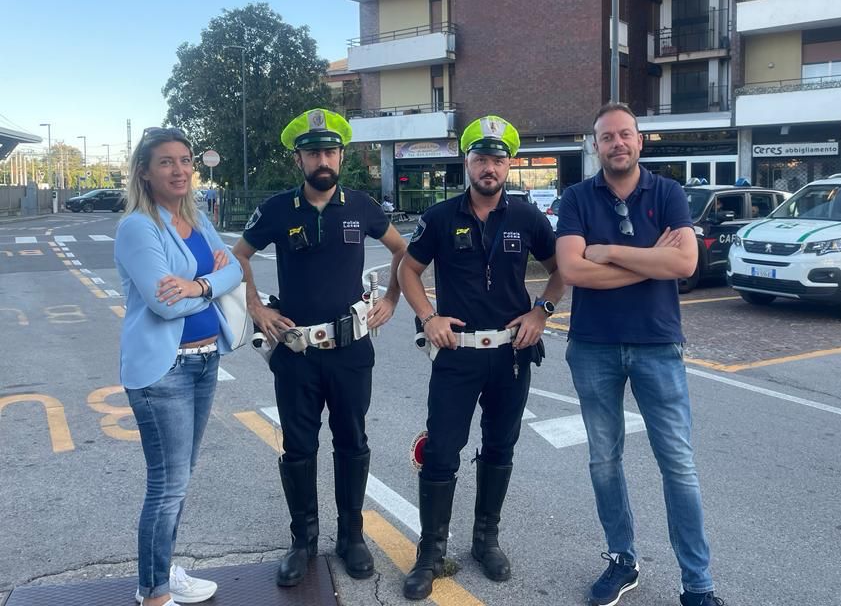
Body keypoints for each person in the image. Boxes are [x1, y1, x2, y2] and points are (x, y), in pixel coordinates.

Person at [555, 103, 725, 606]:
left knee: (678, 465)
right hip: (592, 346)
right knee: (604, 461)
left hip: (657, 344)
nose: (617, 144)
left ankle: (698, 585)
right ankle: (622, 560)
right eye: (607, 137)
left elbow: (687, 262)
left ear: (639, 140)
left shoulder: (668, 192)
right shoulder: (576, 197)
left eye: (625, 134)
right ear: (596, 146)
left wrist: (606, 251)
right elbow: (573, 270)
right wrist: (655, 261)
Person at [232, 108, 407, 587]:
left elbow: (403, 251)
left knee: (352, 443)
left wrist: (392, 298)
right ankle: (302, 542)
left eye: (330, 151)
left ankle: (351, 536)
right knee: (298, 448)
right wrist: (257, 309)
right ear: (299, 160)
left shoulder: (363, 206)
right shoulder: (275, 210)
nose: (322, 159)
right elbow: (238, 257)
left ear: (342, 156)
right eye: (313, 153)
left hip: (351, 351)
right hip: (296, 353)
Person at [397, 115, 564, 601]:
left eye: (497, 159)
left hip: (512, 355)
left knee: (499, 448)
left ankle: (485, 540)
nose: (489, 167)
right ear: (466, 162)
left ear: (508, 165)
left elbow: (560, 272)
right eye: (480, 158)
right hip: (456, 355)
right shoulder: (441, 217)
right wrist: (428, 317)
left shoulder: (528, 218)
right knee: (442, 453)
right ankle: (430, 552)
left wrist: (542, 312)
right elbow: (409, 270)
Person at [114, 127, 244, 606]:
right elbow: (163, 305)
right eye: (166, 162)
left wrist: (198, 286)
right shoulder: (138, 227)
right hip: (163, 372)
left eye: (185, 160)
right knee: (167, 486)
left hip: (205, 361)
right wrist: (207, 284)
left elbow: (236, 271)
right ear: (145, 173)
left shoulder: (196, 220)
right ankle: (154, 594)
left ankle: (164, 572)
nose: (180, 170)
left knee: (180, 478)